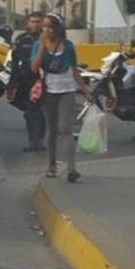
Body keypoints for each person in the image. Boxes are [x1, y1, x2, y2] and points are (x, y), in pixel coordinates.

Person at [31, 13, 93, 183]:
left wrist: (85, 90)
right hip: (48, 91)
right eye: (44, 26)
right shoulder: (38, 45)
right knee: (52, 130)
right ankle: (51, 165)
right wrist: (43, 48)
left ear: (58, 28)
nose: (47, 30)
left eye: (51, 26)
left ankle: (72, 168)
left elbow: (74, 70)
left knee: (66, 129)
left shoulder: (68, 46)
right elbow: (34, 68)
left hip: (67, 89)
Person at [9, 11, 46, 151]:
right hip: (25, 79)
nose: (35, 24)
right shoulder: (21, 39)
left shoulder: (47, 38)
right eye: (32, 21)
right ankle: (33, 139)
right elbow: (15, 61)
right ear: (27, 23)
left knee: (40, 111)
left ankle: (39, 139)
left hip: (42, 79)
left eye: (38, 21)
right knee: (29, 111)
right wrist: (12, 82)